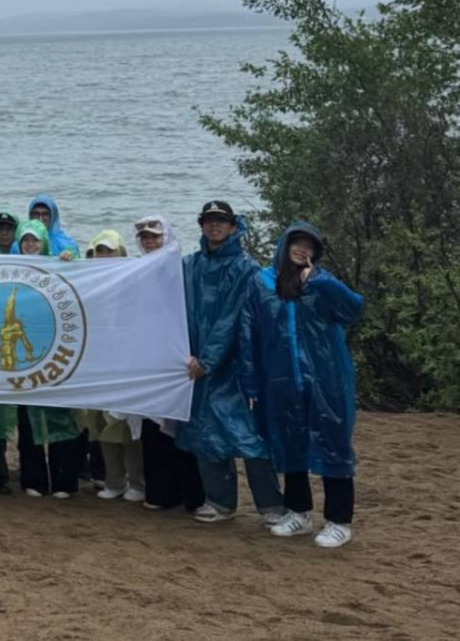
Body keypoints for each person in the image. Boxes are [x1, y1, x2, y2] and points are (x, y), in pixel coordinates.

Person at [240, 222, 364, 548]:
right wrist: (250, 383)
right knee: (289, 445)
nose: (302, 250)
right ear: (285, 245)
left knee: (334, 447)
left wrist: (320, 282)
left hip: (326, 379)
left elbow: (353, 309)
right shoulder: (262, 283)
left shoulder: (322, 283)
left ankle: (339, 521)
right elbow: (248, 333)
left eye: (309, 246)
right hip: (280, 381)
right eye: (297, 243)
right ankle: (299, 513)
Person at [179, 201, 284, 524]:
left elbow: (233, 317)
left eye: (221, 221)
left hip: (236, 366)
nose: (215, 226)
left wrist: (209, 358)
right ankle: (220, 502)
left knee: (250, 436)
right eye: (209, 221)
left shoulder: (245, 268)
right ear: (201, 226)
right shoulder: (190, 265)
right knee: (205, 434)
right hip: (195, 364)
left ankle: (271, 505)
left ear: (233, 226)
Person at [133, 215, 205, 511]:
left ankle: (192, 495)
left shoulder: (183, 269)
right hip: (148, 359)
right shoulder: (134, 271)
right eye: (145, 237)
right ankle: (160, 493)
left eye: (155, 236)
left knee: (180, 428)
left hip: (178, 360)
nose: (150, 242)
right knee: (152, 427)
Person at [13, 221, 85, 498]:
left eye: (35, 240)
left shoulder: (59, 266)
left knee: (60, 415)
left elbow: (82, 283)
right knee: (28, 419)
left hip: (56, 351)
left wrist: (71, 260)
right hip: (24, 354)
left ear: (44, 241)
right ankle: (33, 480)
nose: (30, 245)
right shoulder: (12, 270)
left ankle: (64, 481)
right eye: (26, 240)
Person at [78, 230, 146, 502]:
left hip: (125, 362)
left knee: (127, 426)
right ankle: (114, 480)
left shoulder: (132, 280)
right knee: (101, 424)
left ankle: (137, 483)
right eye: (99, 251)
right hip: (97, 362)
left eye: (110, 250)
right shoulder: (87, 282)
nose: (105, 256)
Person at [27, 194, 80, 260]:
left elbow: (76, 261)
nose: (40, 218)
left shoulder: (66, 244)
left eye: (45, 214)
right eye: (36, 214)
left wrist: (68, 257)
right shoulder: (21, 244)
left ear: (53, 216)